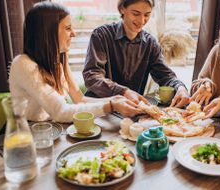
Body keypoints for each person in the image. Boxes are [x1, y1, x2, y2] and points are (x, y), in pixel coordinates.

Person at [9, 2, 142, 123]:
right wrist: (111, 106)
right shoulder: (23, 64)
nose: (74, 33)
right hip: (25, 134)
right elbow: (60, 112)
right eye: (68, 28)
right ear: (48, 32)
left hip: (52, 130)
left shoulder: (58, 62)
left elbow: (80, 99)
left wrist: (116, 99)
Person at [83, 0, 190, 108]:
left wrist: (180, 87)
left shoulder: (150, 43)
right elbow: (92, 76)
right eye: (136, 14)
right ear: (122, 9)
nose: (142, 20)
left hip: (130, 109)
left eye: (147, 15)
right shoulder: (102, 35)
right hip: (100, 108)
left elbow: (165, 76)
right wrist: (124, 92)